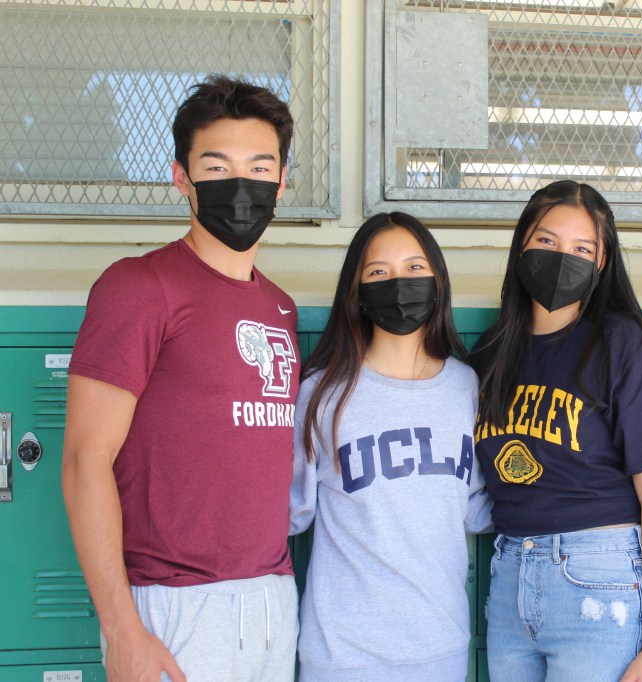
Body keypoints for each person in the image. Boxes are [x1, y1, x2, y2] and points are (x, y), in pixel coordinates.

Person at [62, 75, 299, 682]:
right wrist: (122, 629)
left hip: (272, 600)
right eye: (216, 168)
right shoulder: (140, 287)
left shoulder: (279, 307)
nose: (240, 186)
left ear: (281, 182)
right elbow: (85, 459)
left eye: (259, 168)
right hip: (174, 608)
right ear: (181, 177)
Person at [471, 180, 642, 682]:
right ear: (522, 244)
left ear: (602, 262)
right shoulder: (491, 353)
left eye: (582, 249)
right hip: (510, 576)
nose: (562, 257)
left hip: (598, 578)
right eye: (547, 241)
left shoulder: (621, 345)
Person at [290, 212, 491, 681]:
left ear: (438, 281)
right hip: (341, 656)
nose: (399, 283)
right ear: (357, 292)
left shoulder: (465, 387)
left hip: (438, 648)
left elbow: (475, 509)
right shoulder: (323, 393)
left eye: (414, 267)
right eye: (378, 271)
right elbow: (291, 511)